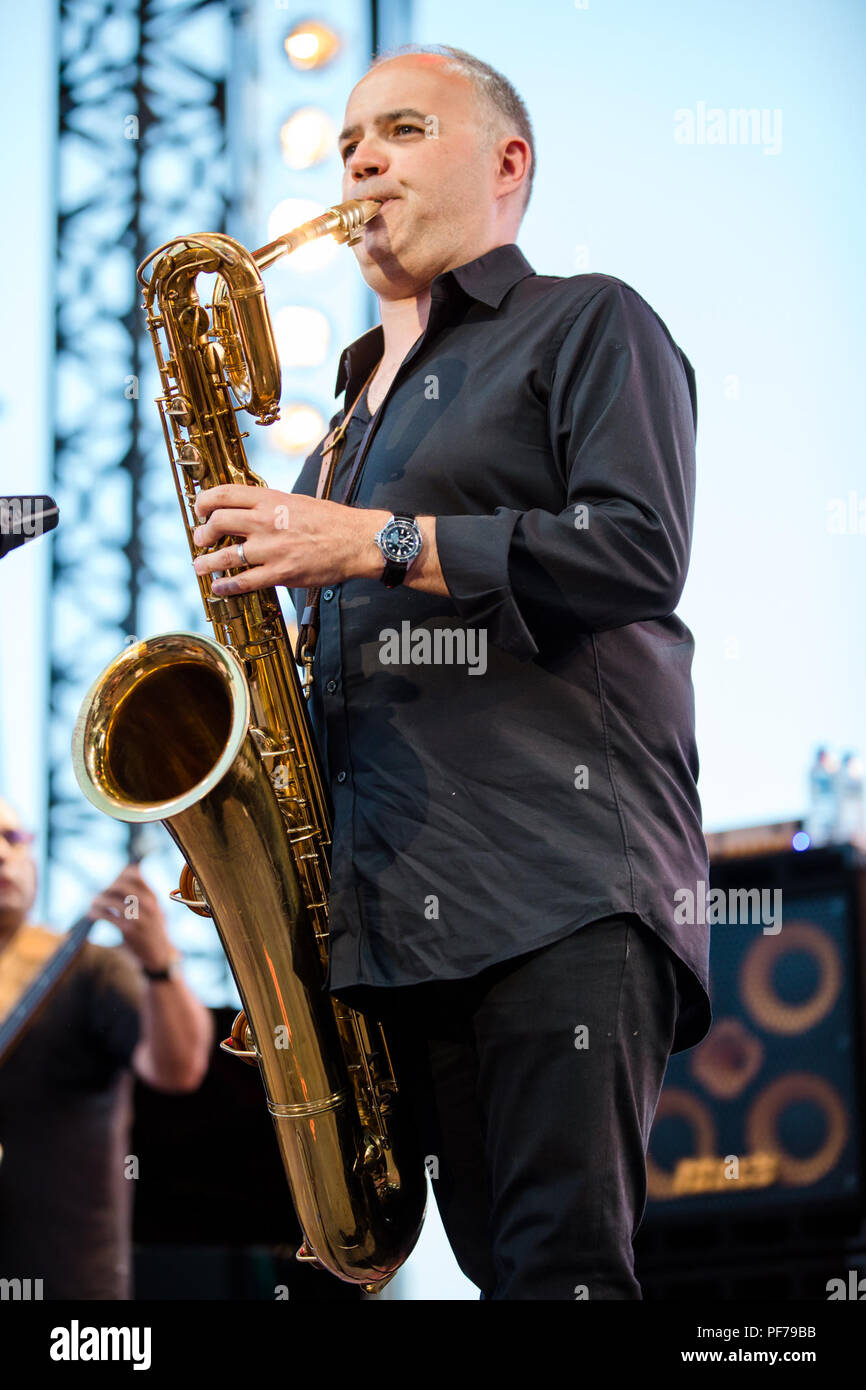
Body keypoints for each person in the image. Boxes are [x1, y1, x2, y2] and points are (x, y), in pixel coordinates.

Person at [190, 44, 712, 1299]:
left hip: (555, 890)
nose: (359, 158)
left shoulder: (588, 320)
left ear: (506, 164)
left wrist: (375, 541)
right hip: (380, 936)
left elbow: (636, 553)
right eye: (348, 141)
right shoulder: (338, 426)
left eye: (403, 129)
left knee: (559, 1274)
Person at [0, 797, 213, 1299]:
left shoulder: (89, 967)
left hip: (70, 1288)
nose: (1, 855)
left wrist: (159, 965)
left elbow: (177, 1068)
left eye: (12, 839)